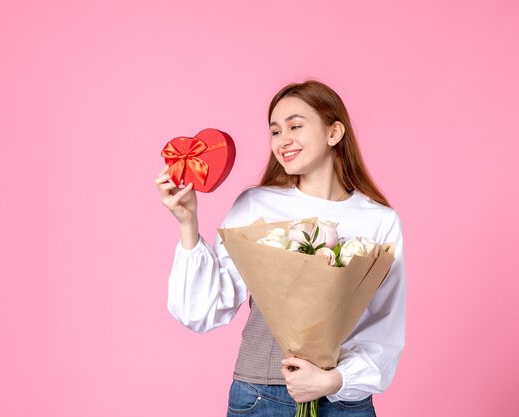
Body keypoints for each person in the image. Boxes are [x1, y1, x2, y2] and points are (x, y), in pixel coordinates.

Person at [155, 79, 406, 417]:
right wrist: (188, 224)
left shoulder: (379, 220)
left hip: (345, 402)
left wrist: (333, 381)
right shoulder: (256, 204)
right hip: (261, 397)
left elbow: (384, 327)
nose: (282, 140)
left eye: (295, 126)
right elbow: (201, 312)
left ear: (334, 133)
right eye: (274, 131)